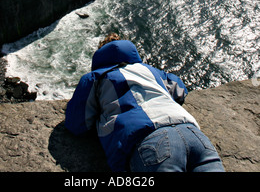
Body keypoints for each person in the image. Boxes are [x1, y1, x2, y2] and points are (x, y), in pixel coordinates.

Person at [65, 33, 225, 172]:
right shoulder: (151, 70)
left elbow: (77, 123)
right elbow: (180, 90)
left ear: (100, 56)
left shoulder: (96, 77)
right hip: (193, 134)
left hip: (151, 141)